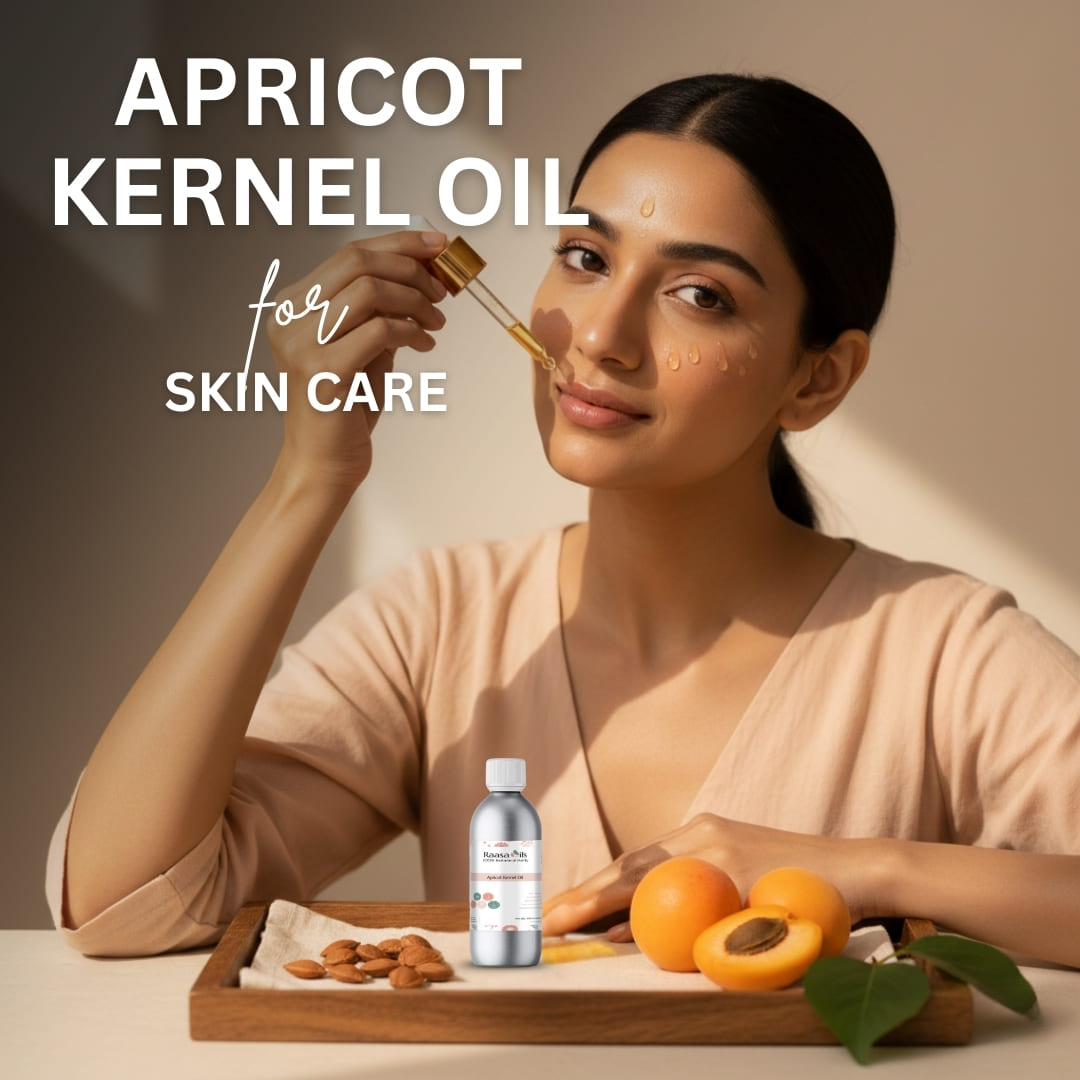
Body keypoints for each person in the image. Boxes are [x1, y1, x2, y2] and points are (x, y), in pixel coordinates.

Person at [48, 74, 1080, 965]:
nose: (602, 337)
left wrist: (866, 869)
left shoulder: (942, 649)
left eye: (700, 295)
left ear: (818, 378)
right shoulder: (439, 625)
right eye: (586, 258)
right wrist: (307, 479)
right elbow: (121, 901)